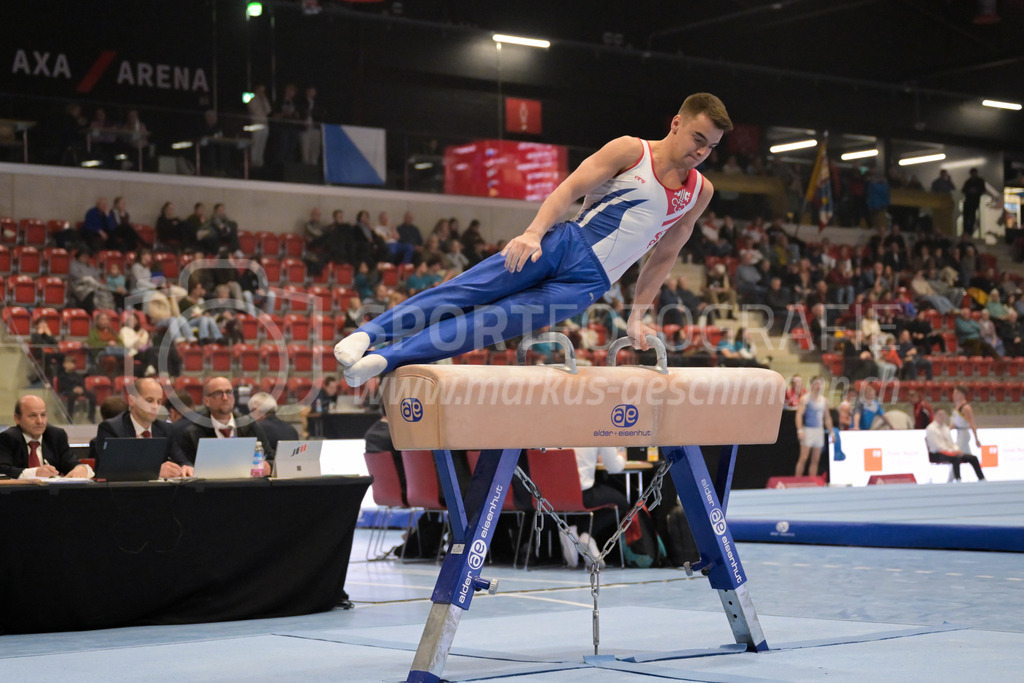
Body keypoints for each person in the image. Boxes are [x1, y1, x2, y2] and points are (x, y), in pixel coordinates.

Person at [335, 93, 733, 386]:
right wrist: (533, 233)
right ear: (676, 124)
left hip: (588, 284)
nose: (702, 151)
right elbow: (567, 189)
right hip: (563, 243)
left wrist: (637, 315)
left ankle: (386, 360)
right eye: (698, 138)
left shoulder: (700, 192)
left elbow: (663, 257)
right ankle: (368, 334)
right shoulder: (631, 150)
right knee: (466, 291)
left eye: (711, 147)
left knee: (488, 325)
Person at [92, 377, 194, 478]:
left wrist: (187, 467)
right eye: (149, 400)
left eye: (159, 402)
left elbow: (182, 461)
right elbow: (111, 470)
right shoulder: (111, 428)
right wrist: (155, 471)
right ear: (132, 400)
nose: (155, 406)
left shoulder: (166, 429)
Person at [179, 376, 274, 474]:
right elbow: (186, 466)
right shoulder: (192, 434)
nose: (225, 397)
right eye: (218, 393)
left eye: (228, 392)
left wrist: (269, 466)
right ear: (206, 401)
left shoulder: (251, 426)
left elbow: (272, 458)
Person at [0, 395, 92, 479]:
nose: (40, 421)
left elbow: (71, 462)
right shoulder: (8, 438)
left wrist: (81, 468)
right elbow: (3, 470)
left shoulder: (56, 436)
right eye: (33, 416)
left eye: (43, 415)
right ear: (17, 418)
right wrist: (35, 472)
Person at [569, 445, 628, 568]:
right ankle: (587, 534)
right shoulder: (599, 432)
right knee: (622, 503)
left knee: (588, 500)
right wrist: (622, 455)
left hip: (553, 494)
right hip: (583, 493)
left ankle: (572, 532)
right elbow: (614, 466)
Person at [925, 409, 985, 482]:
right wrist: (952, 451)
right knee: (956, 458)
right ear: (934, 415)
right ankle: (958, 479)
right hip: (937, 453)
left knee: (973, 458)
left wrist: (956, 450)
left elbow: (951, 443)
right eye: (940, 415)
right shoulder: (930, 428)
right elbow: (937, 445)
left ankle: (981, 478)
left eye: (943, 415)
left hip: (950, 452)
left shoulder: (946, 428)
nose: (942, 417)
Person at [794, 377, 833, 477]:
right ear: (811, 385)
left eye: (820, 384)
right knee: (803, 458)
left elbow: (827, 417)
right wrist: (800, 430)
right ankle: (796, 481)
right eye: (816, 384)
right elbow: (799, 415)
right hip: (808, 430)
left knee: (815, 459)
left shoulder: (824, 400)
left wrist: (831, 432)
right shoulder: (805, 399)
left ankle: (812, 482)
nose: (818, 386)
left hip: (819, 431)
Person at [960, 168, 996, 239]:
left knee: (971, 217)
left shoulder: (979, 181)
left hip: (974, 201)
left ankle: (969, 232)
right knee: (966, 217)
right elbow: (964, 190)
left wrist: (976, 191)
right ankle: (966, 232)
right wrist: (970, 191)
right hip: (969, 201)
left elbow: (983, 190)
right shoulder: (969, 181)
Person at [951, 385, 983, 457]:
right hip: (959, 433)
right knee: (968, 456)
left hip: (964, 434)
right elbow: (955, 423)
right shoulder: (957, 407)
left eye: (956, 393)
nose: (953, 395)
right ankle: (976, 466)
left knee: (956, 454)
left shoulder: (966, 408)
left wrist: (976, 439)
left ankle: (953, 468)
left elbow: (972, 423)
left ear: (961, 394)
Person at [247, 84, 272, 168]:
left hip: (265, 124)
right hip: (256, 124)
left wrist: (264, 100)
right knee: (256, 143)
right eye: (260, 90)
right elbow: (255, 111)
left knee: (262, 143)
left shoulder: (264, 99)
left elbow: (268, 110)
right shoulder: (252, 100)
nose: (262, 92)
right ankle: (254, 161)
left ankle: (260, 161)